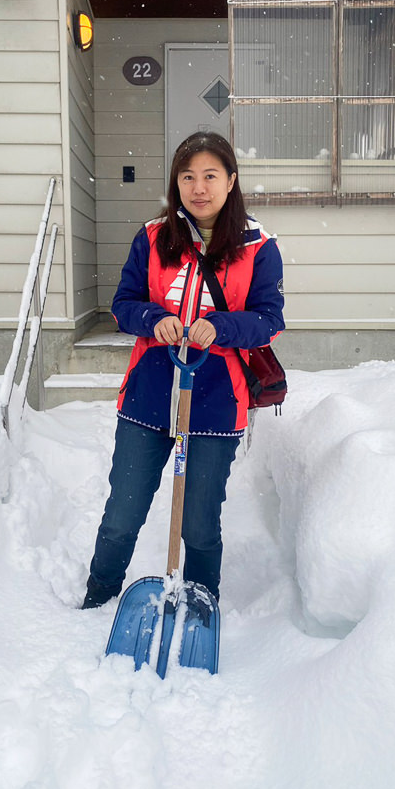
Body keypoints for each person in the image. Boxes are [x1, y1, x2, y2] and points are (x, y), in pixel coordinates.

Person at [81, 131, 285, 609]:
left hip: (217, 402)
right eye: (188, 176)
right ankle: (99, 598)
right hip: (148, 398)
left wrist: (223, 326)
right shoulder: (153, 238)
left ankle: (199, 605)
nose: (199, 187)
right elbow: (122, 305)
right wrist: (155, 318)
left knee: (198, 522)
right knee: (122, 514)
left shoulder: (259, 246)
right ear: (177, 184)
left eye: (211, 175)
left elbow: (270, 320)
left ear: (231, 181)